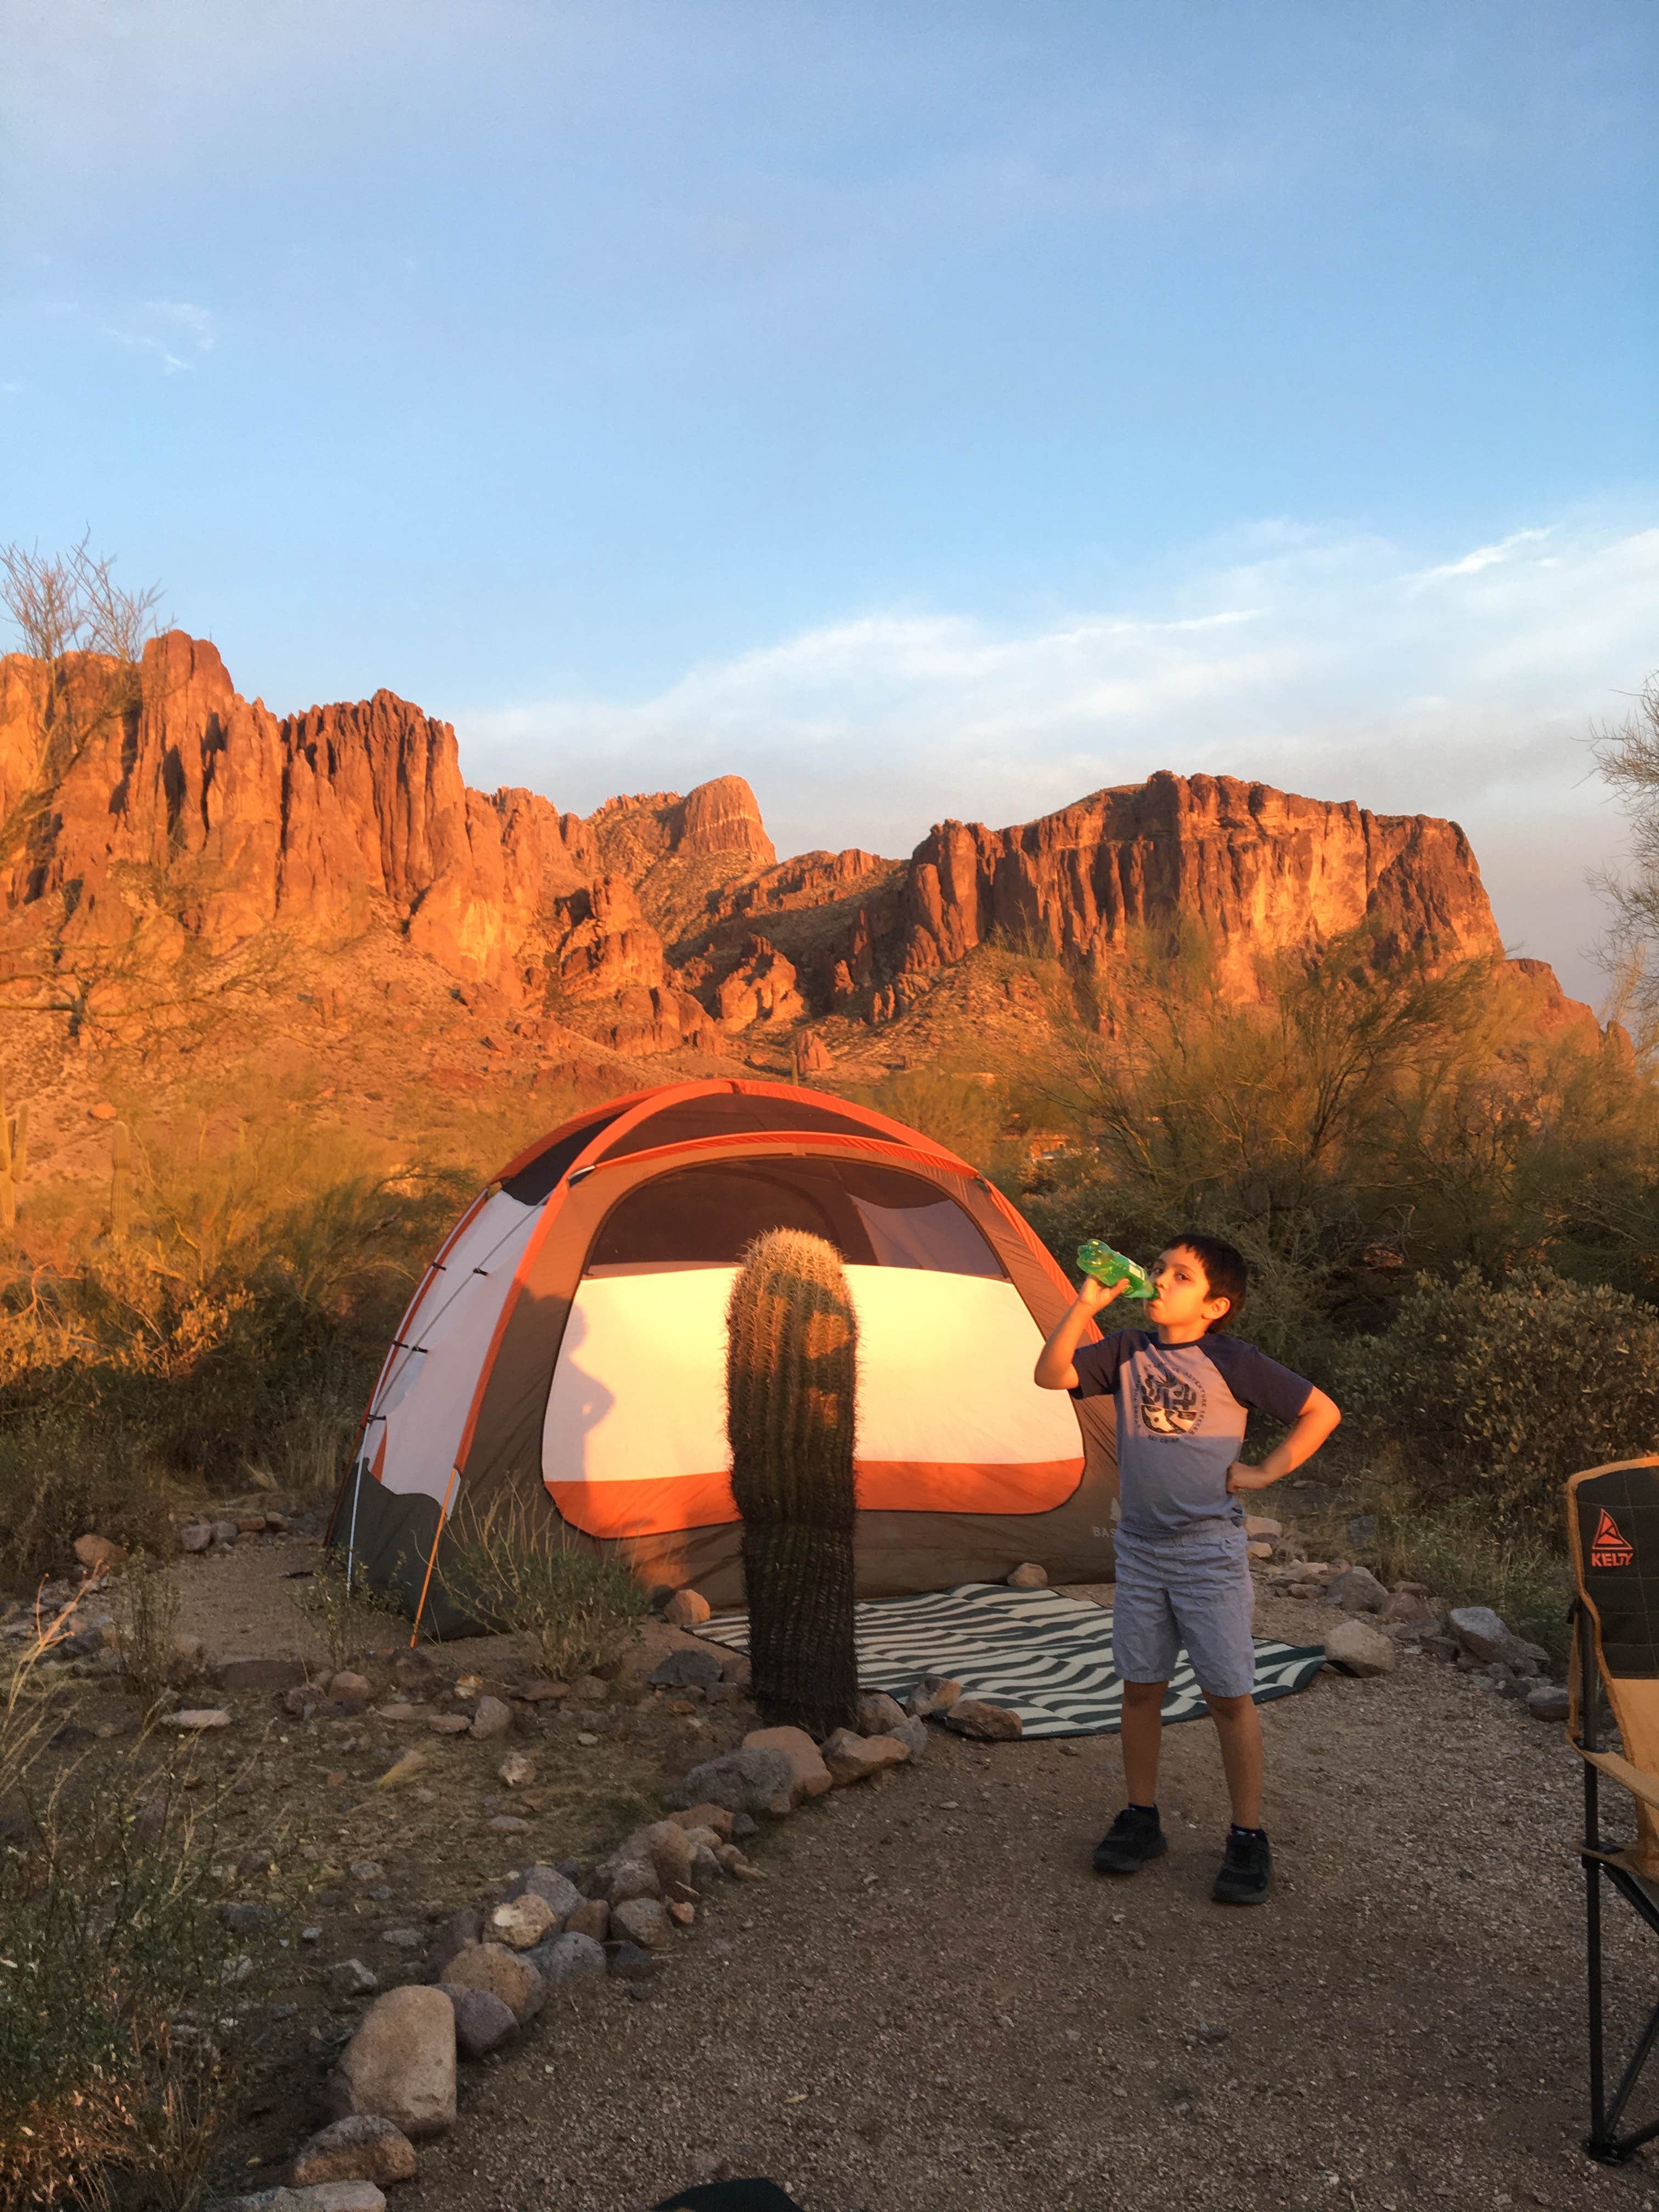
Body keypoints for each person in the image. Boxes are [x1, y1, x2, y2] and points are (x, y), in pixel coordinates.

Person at [1034, 1233, 1340, 1905]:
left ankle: (1248, 1837)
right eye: (1160, 1270)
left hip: (1208, 1552)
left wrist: (1264, 1472)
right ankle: (1142, 1819)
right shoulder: (1125, 1349)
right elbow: (1050, 1374)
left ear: (1215, 1304)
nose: (1160, 1281)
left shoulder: (1233, 1359)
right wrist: (1085, 1304)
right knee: (1140, 1687)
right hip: (1140, 1550)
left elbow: (1321, 1410)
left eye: (1180, 1275)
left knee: (1229, 1696)